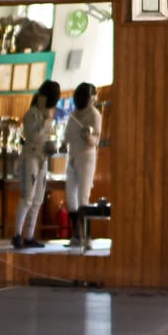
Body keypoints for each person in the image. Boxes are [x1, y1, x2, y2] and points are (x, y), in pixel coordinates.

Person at [13, 79, 61, 250]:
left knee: (38, 198)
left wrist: (52, 145)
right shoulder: (32, 113)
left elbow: (46, 137)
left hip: (42, 158)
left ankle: (29, 235)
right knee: (28, 196)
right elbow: (32, 135)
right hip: (31, 156)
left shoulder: (49, 113)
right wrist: (43, 121)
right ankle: (17, 234)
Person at [63, 82, 102, 246]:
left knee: (83, 197)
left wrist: (88, 136)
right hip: (71, 159)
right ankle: (77, 234)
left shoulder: (94, 115)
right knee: (70, 197)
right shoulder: (73, 114)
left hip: (86, 159)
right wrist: (63, 144)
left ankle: (87, 237)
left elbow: (95, 140)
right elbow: (67, 137)